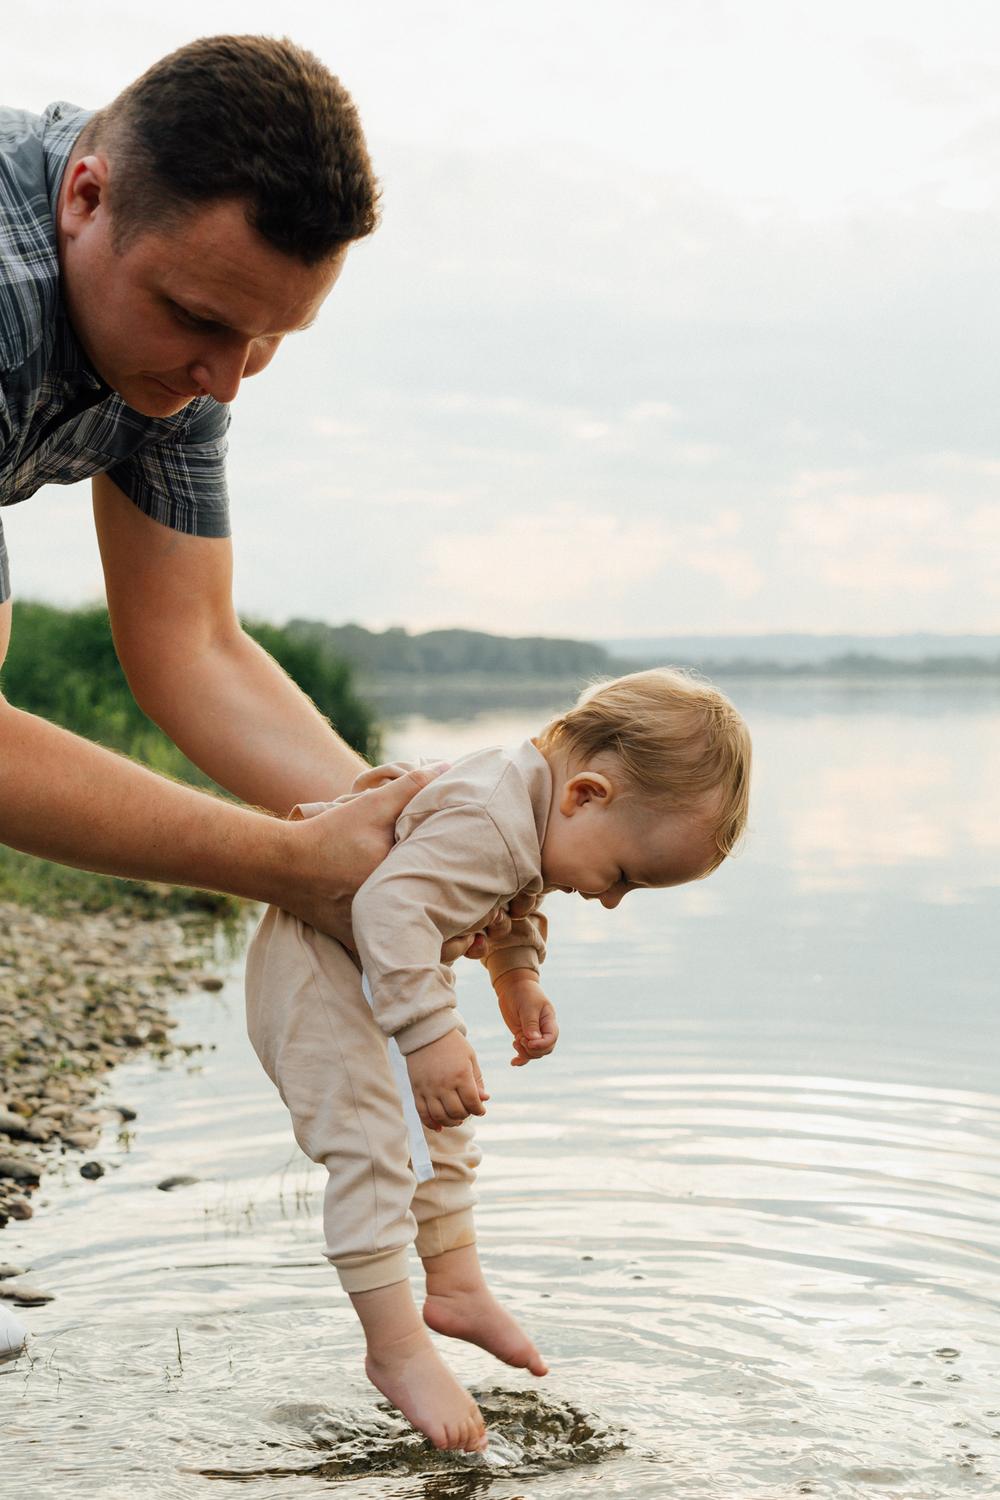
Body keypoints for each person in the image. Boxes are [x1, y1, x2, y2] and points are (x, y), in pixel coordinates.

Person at [0, 35, 504, 948]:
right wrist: (293, 862)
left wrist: (415, 842)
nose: (227, 380)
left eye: (273, 336)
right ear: (86, 196)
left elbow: (191, 645)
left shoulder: (183, 347)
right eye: (199, 319)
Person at [245, 668, 752, 1453]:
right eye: (623, 876)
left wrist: (517, 978)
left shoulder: (525, 810)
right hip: (318, 972)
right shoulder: (491, 814)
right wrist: (427, 1032)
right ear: (587, 794)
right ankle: (398, 1350)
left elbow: (509, 897)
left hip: (368, 969)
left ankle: (453, 1285)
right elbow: (390, 905)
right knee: (374, 1153)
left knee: (440, 1128)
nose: (612, 900)